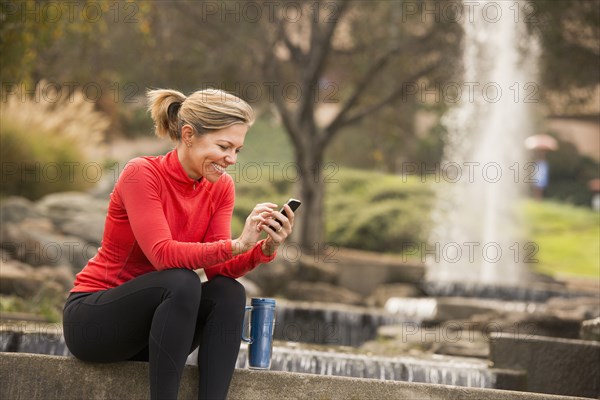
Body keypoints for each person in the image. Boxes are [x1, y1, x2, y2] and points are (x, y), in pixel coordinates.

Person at [62, 88, 295, 400]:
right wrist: (238, 244)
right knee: (182, 281)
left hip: (153, 333)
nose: (231, 159)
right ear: (188, 135)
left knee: (229, 291)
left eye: (237, 150)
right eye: (224, 146)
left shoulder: (220, 187)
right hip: (94, 324)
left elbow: (219, 270)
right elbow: (162, 255)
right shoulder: (142, 174)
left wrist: (263, 248)